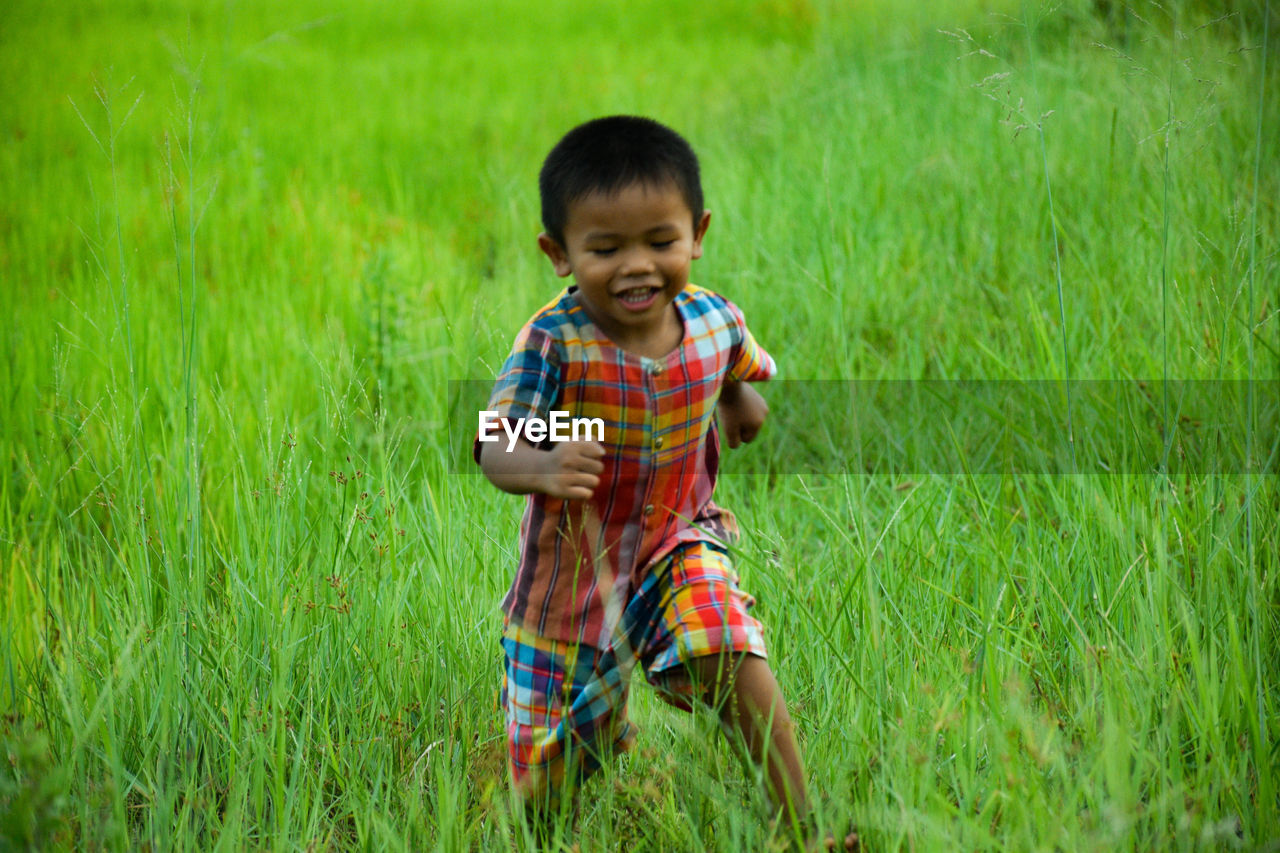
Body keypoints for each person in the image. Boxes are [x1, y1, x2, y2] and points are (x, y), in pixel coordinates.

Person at [475, 115, 826, 847]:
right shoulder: (554, 341)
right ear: (559, 253)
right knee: (553, 776)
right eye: (605, 248)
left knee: (728, 642)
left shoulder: (712, 320)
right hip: (568, 587)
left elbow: (732, 367)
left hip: (675, 541)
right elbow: (492, 438)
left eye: (660, 242)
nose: (637, 265)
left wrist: (737, 402)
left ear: (696, 233)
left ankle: (805, 827)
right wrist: (542, 461)